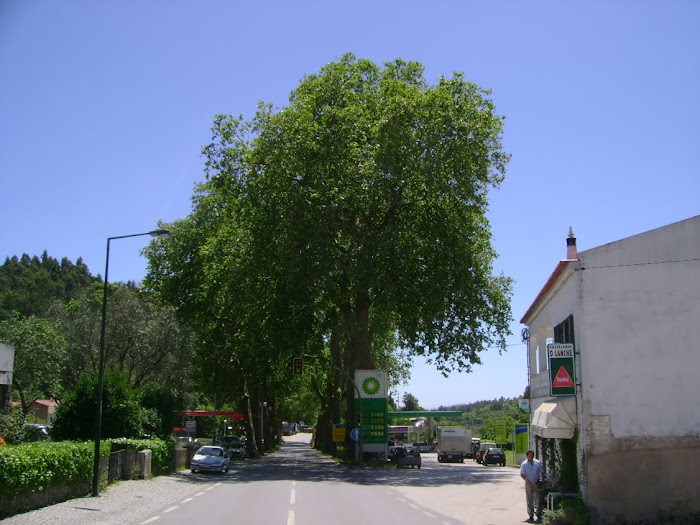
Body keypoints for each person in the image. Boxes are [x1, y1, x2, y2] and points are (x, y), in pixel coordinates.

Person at [520, 450, 545, 522]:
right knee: (529, 499)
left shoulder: (537, 462)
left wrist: (542, 481)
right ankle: (531, 515)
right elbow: (522, 474)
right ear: (527, 456)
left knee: (537, 499)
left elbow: (542, 472)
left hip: (536, 483)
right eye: (529, 455)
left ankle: (538, 514)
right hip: (528, 483)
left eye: (532, 455)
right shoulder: (524, 464)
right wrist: (527, 480)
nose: (530, 457)